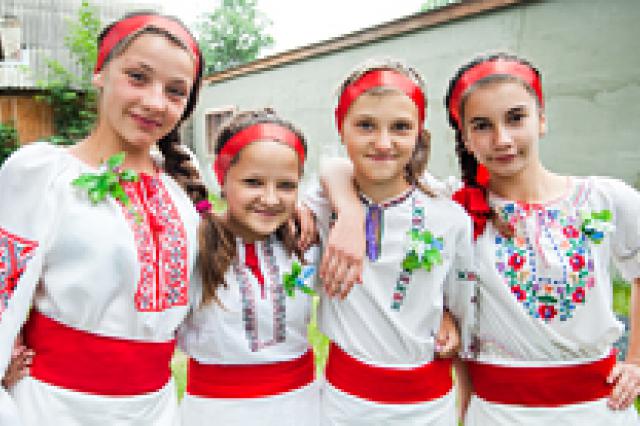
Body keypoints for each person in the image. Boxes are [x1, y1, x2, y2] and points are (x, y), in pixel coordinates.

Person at [0, 12, 210, 425]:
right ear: (100, 72)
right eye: (137, 77)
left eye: (175, 92)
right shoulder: (42, 174)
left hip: (155, 409)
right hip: (54, 408)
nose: (154, 102)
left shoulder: (180, 185)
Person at [445, 52, 640, 424]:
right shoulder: (453, 212)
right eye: (482, 125)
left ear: (543, 120)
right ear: (466, 139)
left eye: (516, 118)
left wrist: (636, 361)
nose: (502, 139)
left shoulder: (605, 198)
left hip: (599, 412)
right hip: (500, 414)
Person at [303, 59, 475, 425]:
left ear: (418, 133)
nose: (383, 143)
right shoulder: (317, 207)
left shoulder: (448, 217)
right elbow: (330, 168)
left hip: (428, 408)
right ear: (341, 128)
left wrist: (445, 315)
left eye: (400, 127)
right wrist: (349, 213)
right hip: (343, 404)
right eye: (365, 125)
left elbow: (462, 310)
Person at [178, 109, 321, 425]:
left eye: (285, 185)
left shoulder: (307, 240)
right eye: (253, 182)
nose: (270, 199)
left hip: (301, 408)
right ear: (222, 178)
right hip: (214, 413)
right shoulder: (192, 242)